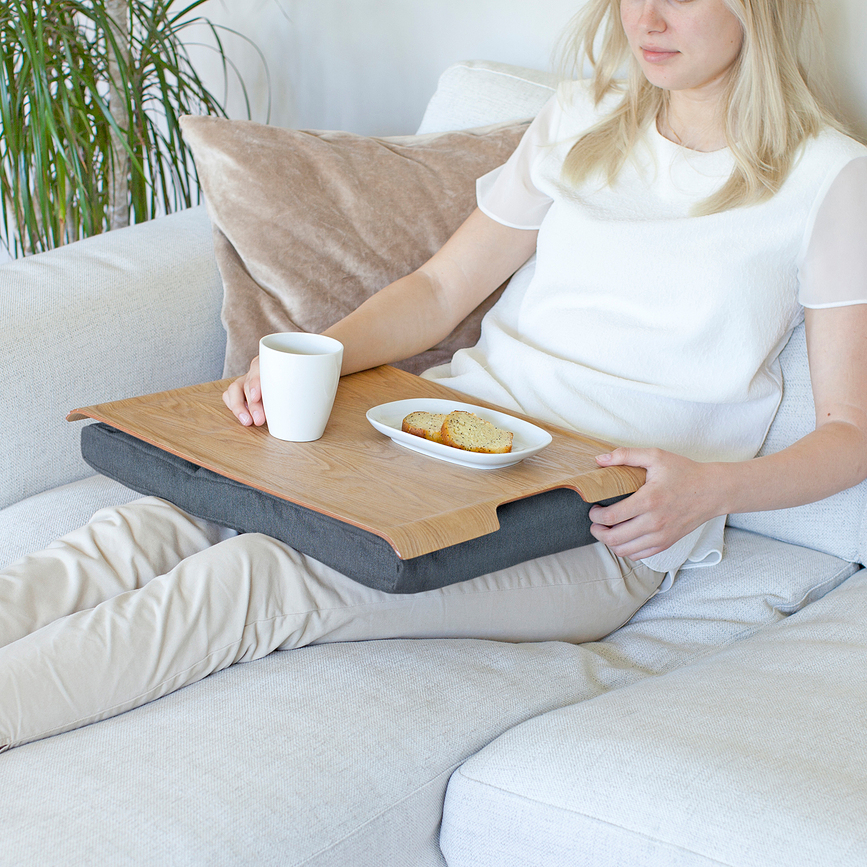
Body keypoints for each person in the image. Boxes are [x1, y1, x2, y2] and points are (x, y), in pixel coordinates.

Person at [2, 0, 866, 752]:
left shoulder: (828, 179)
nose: (643, 19)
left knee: (268, 575)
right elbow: (441, 287)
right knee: (168, 512)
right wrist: (312, 358)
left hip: (595, 523)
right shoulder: (583, 116)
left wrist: (709, 490)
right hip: (439, 436)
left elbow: (848, 433)